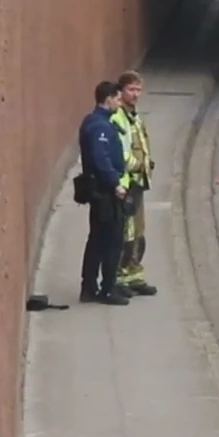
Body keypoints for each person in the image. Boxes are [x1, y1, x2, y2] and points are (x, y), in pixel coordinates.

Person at [76, 80, 130, 305]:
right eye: (118, 99)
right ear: (108, 100)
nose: (120, 102)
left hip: (99, 189)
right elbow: (101, 159)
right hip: (105, 192)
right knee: (111, 240)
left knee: (97, 239)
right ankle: (107, 288)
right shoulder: (100, 127)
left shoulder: (94, 121)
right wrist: (115, 183)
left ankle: (90, 287)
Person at [108, 70, 157, 297]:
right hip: (127, 184)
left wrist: (148, 164)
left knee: (138, 232)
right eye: (131, 90)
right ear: (121, 91)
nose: (136, 94)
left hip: (138, 183)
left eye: (138, 89)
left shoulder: (135, 117)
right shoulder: (119, 118)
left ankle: (134, 275)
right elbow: (122, 153)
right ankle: (120, 276)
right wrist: (139, 165)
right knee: (126, 233)